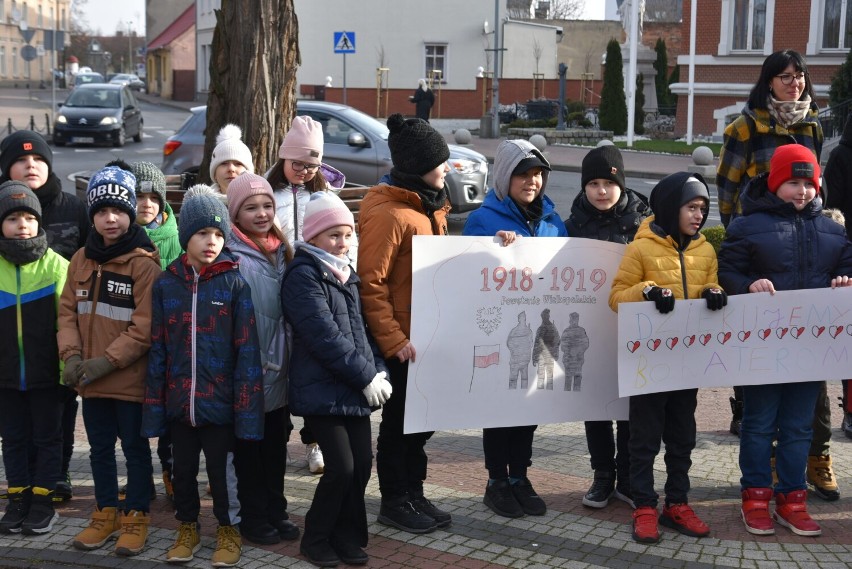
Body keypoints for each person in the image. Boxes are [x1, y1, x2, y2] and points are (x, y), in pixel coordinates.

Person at [718, 144, 852, 537]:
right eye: (792, 182)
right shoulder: (747, 225)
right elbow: (727, 270)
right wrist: (746, 284)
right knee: (758, 425)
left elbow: (846, 266)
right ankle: (755, 498)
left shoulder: (833, 229)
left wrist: (844, 280)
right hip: (762, 349)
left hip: (809, 353)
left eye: (808, 183)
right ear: (775, 183)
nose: (801, 191)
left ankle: (792, 500)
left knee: (798, 428)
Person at [142, 184, 265, 566]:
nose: (211, 241)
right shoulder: (167, 284)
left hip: (221, 406)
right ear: (186, 237)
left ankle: (229, 530)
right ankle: (187, 526)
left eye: (217, 233)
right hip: (180, 404)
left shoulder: (234, 284)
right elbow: (158, 348)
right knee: (181, 471)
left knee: (221, 472)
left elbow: (247, 354)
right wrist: (155, 408)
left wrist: (246, 414)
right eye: (201, 233)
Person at [715, 49, 825, 454]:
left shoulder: (811, 124)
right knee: (757, 347)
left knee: (802, 353)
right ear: (768, 82)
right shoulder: (745, 128)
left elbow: (816, 185)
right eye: (784, 76)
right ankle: (747, 415)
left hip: (802, 248)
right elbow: (726, 193)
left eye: (799, 76)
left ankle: (810, 452)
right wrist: (745, 238)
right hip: (759, 248)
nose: (793, 83)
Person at [609, 171, 727, 544]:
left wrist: (714, 291)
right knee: (644, 438)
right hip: (648, 363)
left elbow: (712, 282)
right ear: (669, 206)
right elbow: (615, 296)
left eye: (703, 208)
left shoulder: (705, 250)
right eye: (691, 207)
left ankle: (677, 502)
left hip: (686, 362)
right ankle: (644, 505)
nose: (698, 215)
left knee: (682, 436)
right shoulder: (640, 248)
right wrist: (646, 290)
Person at [281, 191, 391, 567]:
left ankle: (347, 536)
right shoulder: (304, 274)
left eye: (347, 234)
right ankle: (316, 538)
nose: (343, 242)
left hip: (354, 386)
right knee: (341, 466)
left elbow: (363, 332)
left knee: (361, 465)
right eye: (333, 235)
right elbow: (324, 336)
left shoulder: (347, 274)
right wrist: (365, 377)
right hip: (321, 390)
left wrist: (379, 370)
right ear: (312, 238)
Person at [57, 166, 161, 556]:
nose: (110, 218)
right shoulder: (81, 258)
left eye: (118, 210)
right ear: (92, 216)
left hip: (128, 380)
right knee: (99, 449)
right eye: (101, 211)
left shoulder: (143, 264)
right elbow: (67, 313)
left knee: (134, 450)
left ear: (131, 212)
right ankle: (104, 514)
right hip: (90, 379)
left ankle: (136, 517)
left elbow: (145, 326)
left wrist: (107, 361)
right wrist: (72, 356)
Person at [357, 113, 453, 533]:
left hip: (429, 337)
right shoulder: (391, 215)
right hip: (403, 343)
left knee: (422, 424)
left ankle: (415, 492)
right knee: (399, 427)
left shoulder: (430, 206)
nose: (446, 169)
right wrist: (393, 340)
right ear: (418, 168)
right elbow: (371, 284)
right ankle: (394, 499)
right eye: (440, 162)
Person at [462, 138, 565, 519]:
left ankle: (520, 476)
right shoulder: (483, 220)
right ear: (506, 177)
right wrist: (495, 248)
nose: (532, 181)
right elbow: (469, 273)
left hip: (542, 330)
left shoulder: (553, 221)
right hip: (500, 333)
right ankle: (496, 482)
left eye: (538, 174)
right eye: (523, 174)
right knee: (499, 408)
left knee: (529, 407)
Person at [0, 130, 89, 503]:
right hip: (13, 343)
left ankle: (57, 473)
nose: (30, 165)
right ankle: (25, 479)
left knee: (58, 415)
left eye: (37, 159)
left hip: (57, 329)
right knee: (19, 423)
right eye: (21, 160)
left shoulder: (72, 207)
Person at [565, 145, 651, 510]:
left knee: (631, 410)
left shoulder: (647, 224)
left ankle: (628, 478)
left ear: (622, 183)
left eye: (609, 183)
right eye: (594, 183)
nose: (601, 191)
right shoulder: (569, 226)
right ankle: (603, 475)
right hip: (590, 334)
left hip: (634, 332)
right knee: (596, 408)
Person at [268, 115, 349, 474]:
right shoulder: (268, 195)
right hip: (275, 294)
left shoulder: (325, 197)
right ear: (283, 159)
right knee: (280, 371)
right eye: (296, 163)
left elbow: (347, 246)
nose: (302, 170)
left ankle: (314, 442)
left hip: (317, 294)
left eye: (311, 165)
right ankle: (276, 441)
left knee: (315, 368)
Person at [225, 172, 300, 545]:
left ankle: (277, 510)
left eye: (267, 205)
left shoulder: (283, 251)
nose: (261, 213)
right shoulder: (229, 256)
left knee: (275, 447)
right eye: (251, 207)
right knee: (248, 451)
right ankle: (253, 516)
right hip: (247, 370)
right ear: (235, 214)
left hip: (280, 369)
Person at [0, 182, 68, 535]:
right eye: (12, 218)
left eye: (29, 217)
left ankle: (43, 503)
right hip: (6, 377)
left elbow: (68, 324)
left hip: (47, 376)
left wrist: (67, 370)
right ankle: (17, 501)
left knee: (47, 439)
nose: (22, 224)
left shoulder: (57, 267)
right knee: (11, 439)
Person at [209, 124, 255, 196]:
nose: (231, 169)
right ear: (214, 174)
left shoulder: (260, 201)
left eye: (238, 163)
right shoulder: (201, 205)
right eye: (224, 163)